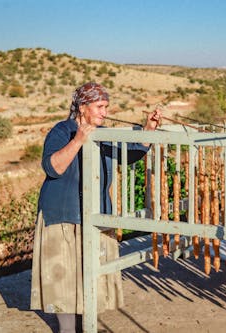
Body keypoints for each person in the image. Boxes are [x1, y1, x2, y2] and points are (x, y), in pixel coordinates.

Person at [30, 82, 162, 333]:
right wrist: (79, 139)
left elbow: (130, 154)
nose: (104, 112)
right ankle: (67, 330)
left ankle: (86, 324)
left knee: (90, 273)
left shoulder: (103, 133)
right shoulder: (62, 131)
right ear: (82, 107)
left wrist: (149, 130)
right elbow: (52, 167)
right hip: (63, 214)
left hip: (95, 213)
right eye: (100, 107)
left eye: (106, 107)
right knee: (65, 278)